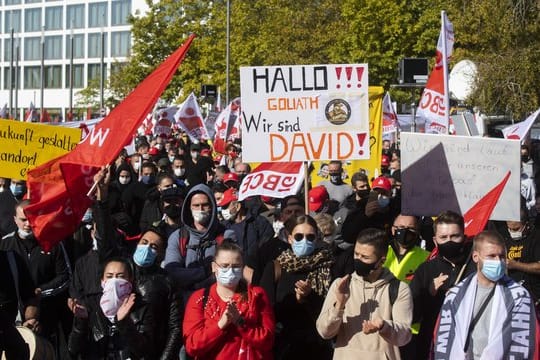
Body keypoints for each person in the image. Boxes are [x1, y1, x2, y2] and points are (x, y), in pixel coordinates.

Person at [433, 231, 536, 359]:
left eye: (502, 256)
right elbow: (444, 339)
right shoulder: (455, 295)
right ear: (476, 257)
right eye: (491, 256)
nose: (498, 261)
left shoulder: (519, 297)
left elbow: (521, 344)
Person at [316, 228, 412, 359]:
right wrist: (339, 305)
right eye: (356, 254)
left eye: (365, 257)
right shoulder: (342, 285)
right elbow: (324, 332)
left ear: (382, 260)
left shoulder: (399, 288)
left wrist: (384, 326)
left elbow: (404, 336)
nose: (358, 260)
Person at [183, 241, 275, 359]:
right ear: (214, 267)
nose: (231, 271)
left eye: (236, 266)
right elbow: (192, 345)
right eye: (225, 266)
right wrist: (221, 325)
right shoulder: (200, 298)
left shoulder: (257, 295)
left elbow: (268, 340)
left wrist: (241, 323)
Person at [260, 214, 334, 359]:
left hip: (318, 346)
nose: (304, 241)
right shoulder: (276, 267)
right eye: (299, 236)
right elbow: (266, 309)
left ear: (317, 238)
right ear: (290, 238)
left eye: (310, 237)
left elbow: (330, 309)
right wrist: (296, 300)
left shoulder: (328, 265)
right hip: (285, 346)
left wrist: (309, 296)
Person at [409, 210, 476, 360]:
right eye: (443, 237)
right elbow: (411, 316)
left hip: (470, 345)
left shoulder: (476, 266)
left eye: (455, 236)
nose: (449, 241)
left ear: (464, 237)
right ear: (435, 240)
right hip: (433, 345)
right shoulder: (426, 269)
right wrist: (429, 292)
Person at [68, 257, 155, 358]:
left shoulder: (142, 307)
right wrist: (81, 322)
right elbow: (73, 349)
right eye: (109, 276)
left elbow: (144, 351)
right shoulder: (90, 305)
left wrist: (124, 322)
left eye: (120, 276)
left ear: (130, 280)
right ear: (102, 281)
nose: (114, 281)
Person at [164, 184, 233, 298]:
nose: (200, 210)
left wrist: (189, 277)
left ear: (212, 206)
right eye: (196, 205)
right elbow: (172, 272)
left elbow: (227, 272)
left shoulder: (226, 236)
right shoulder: (178, 237)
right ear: (189, 208)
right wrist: (206, 271)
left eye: (205, 205)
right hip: (185, 301)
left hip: (217, 299)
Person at [217, 188, 274, 283]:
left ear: (238, 206)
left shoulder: (259, 223)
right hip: (231, 277)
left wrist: (252, 267)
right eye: (222, 207)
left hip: (257, 277)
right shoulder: (222, 227)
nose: (223, 210)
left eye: (226, 206)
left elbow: (266, 249)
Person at [0, 249, 40, 359]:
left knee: (21, 351)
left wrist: (30, 318)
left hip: (11, 326)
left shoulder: (12, 259)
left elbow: (29, 295)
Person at [383, 214, 429, 283]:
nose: (405, 231)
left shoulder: (427, 257)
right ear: (393, 230)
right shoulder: (381, 252)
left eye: (411, 228)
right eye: (401, 227)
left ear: (417, 232)